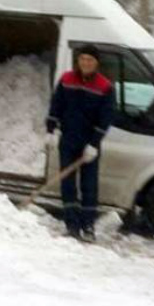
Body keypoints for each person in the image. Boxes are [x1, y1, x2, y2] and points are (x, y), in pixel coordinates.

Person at [46, 44, 115, 241]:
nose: (86, 63)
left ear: (96, 63)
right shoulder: (67, 80)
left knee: (89, 185)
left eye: (90, 60)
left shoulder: (105, 87)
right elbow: (56, 105)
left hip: (89, 144)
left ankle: (88, 226)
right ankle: (72, 225)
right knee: (67, 184)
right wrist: (50, 129)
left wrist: (94, 143)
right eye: (83, 59)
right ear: (78, 60)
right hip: (67, 139)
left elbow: (106, 117)